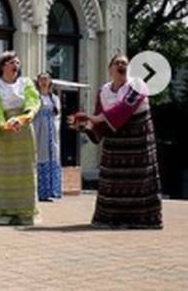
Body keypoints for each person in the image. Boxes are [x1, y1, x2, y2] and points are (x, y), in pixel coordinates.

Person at [70, 54, 163, 229]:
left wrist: (94, 118)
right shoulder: (104, 91)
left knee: (139, 180)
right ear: (110, 68)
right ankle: (110, 219)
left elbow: (123, 110)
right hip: (115, 146)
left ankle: (142, 221)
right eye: (117, 63)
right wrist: (84, 125)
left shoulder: (138, 85)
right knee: (113, 182)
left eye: (125, 63)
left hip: (137, 142)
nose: (121, 65)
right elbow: (99, 121)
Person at [0, 52, 41, 225]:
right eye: (11, 62)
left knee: (23, 170)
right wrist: (4, 125)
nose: (15, 65)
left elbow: (33, 102)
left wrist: (24, 117)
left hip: (23, 131)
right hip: (1, 134)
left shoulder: (26, 83)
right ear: (2, 65)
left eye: (17, 62)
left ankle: (22, 212)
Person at [34, 73, 63, 202]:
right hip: (41, 131)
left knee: (54, 158)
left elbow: (58, 115)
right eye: (42, 79)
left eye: (46, 79)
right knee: (42, 157)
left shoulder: (54, 98)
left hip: (52, 132)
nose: (44, 82)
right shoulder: (36, 97)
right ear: (38, 82)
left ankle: (54, 191)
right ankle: (43, 192)